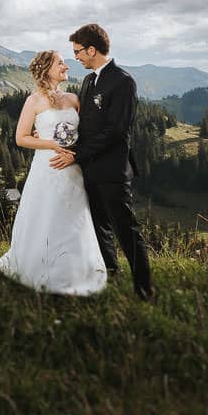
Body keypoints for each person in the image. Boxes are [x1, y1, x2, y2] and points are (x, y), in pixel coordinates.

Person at [50, 23, 154, 300]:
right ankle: (112, 274)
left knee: (125, 229)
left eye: (78, 52)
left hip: (112, 170)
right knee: (99, 227)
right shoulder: (87, 81)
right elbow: (83, 124)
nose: (77, 58)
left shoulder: (122, 81)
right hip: (88, 170)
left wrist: (77, 154)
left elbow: (116, 130)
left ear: (92, 49)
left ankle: (143, 289)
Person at [0, 50, 108, 295]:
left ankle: (75, 270)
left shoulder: (73, 99)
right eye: (60, 63)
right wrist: (50, 144)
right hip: (47, 168)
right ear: (47, 69)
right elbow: (21, 138)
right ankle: (40, 268)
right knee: (47, 215)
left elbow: (88, 134)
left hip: (72, 167)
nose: (66, 66)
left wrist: (74, 151)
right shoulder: (33, 101)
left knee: (74, 218)